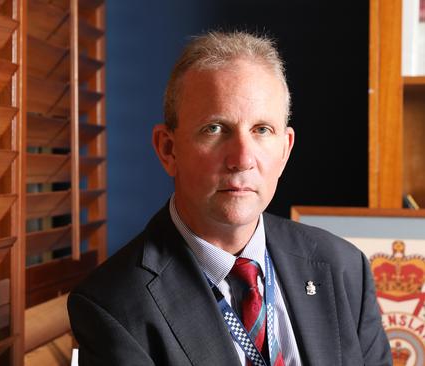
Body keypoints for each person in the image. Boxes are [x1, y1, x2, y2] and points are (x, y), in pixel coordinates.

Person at [67, 31, 391, 366]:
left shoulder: (344, 268)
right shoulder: (112, 306)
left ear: (285, 150)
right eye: (215, 129)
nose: (242, 158)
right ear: (168, 149)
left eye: (262, 130)